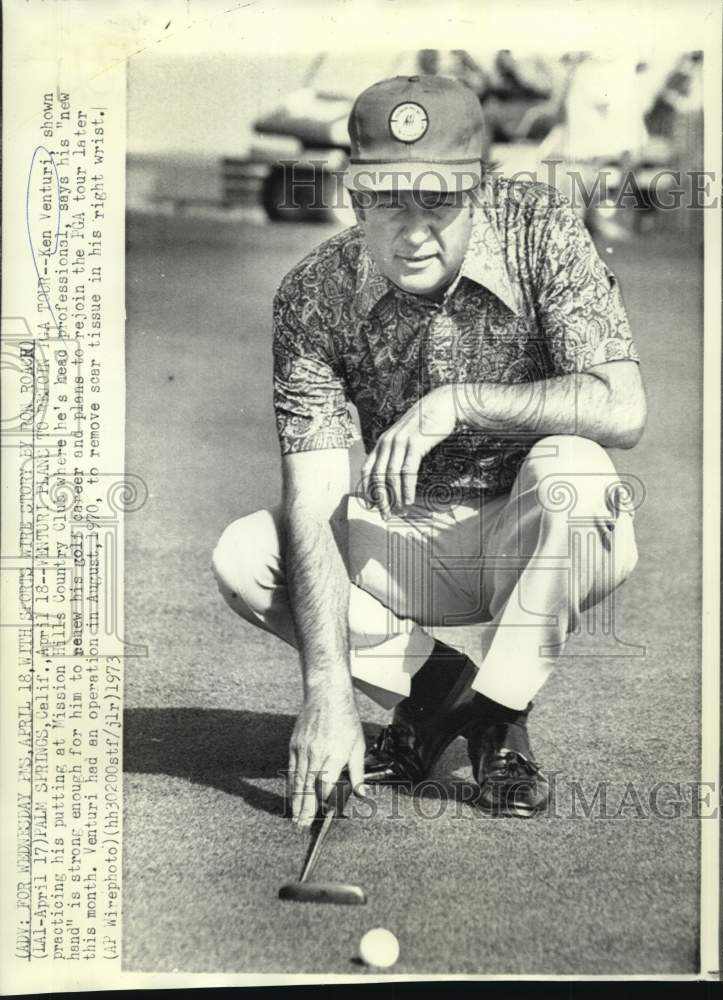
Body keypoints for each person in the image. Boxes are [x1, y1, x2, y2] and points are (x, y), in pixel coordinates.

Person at [212, 75, 646, 828]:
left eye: (439, 200)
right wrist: (327, 695)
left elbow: (623, 406)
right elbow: (314, 500)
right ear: (351, 190)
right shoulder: (313, 293)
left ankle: (496, 709)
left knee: (577, 472)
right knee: (247, 553)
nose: (413, 230)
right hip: (404, 540)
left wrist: (462, 402)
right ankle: (451, 695)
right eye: (385, 199)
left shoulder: (542, 229)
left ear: (480, 187)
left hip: (534, 534)